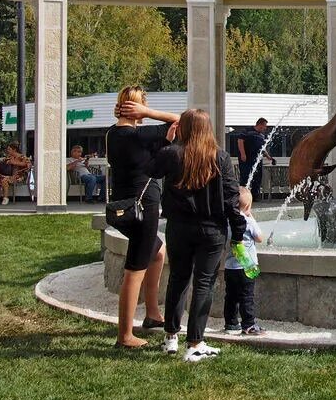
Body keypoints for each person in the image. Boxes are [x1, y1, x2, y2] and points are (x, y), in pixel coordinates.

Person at [150, 108, 247, 363]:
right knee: (204, 283)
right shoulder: (220, 157)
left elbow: (153, 169)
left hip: (179, 228)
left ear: (183, 128)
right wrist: (238, 234)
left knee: (178, 280)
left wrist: (166, 142)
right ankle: (194, 343)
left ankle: (170, 337)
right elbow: (231, 200)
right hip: (211, 230)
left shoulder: (171, 154)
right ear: (208, 129)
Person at [106, 86, 180, 347]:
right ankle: (125, 335)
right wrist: (148, 113)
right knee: (135, 269)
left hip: (123, 206)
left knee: (158, 253)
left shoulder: (113, 134)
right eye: (143, 103)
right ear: (136, 107)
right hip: (142, 209)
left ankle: (151, 314)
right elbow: (181, 119)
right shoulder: (140, 135)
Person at [223, 186, 266, 336]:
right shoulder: (247, 221)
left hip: (230, 267)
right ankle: (248, 324)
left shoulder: (227, 221)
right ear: (248, 206)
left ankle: (230, 323)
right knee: (247, 296)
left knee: (231, 296)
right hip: (247, 267)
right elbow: (260, 238)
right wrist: (251, 217)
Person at [236, 117, 274, 195]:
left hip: (257, 160)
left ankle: (255, 196)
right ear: (260, 124)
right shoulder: (246, 131)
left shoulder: (261, 136)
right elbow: (240, 141)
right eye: (265, 126)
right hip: (247, 158)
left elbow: (262, 148)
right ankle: (243, 195)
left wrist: (268, 156)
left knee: (257, 177)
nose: (265, 128)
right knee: (245, 176)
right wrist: (243, 154)